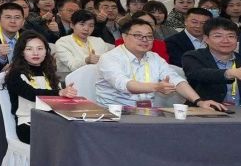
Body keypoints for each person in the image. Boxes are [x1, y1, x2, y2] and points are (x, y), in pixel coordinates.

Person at [95, 21, 223, 112]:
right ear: (124, 37)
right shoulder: (109, 58)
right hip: (115, 113)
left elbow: (176, 80)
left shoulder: (154, 57)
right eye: (138, 36)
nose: (145, 40)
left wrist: (199, 102)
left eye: (149, 36)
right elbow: (124, 84)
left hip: (147, 112)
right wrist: (156, 87)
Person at [2, 32, 72, 143]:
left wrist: (67, 95)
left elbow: (58, 98)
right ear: (21, 52)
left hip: (52, 120)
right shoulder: (15, 74)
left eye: (40, 48)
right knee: (60, 137)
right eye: (29, 49)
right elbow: (31, 93)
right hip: (28, 122)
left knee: (76, 132)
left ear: (46, 51)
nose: (35, 53)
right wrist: (59, 93)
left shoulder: (49, 72)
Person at [53, 10, 109, 76]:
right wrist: (86, 60)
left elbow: (108, 63)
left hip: (98, 78)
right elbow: (72, 66)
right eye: (82, 24)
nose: (86, 29)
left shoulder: (99, 41)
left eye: (91, 26)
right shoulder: (62, 42)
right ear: (72, 25)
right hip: (70, 79)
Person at [0, 2, 29, 70]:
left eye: (17, 17)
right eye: (8, 17)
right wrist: (0, 56)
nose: (13, 21)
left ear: (23, 22)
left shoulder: (29, 37)